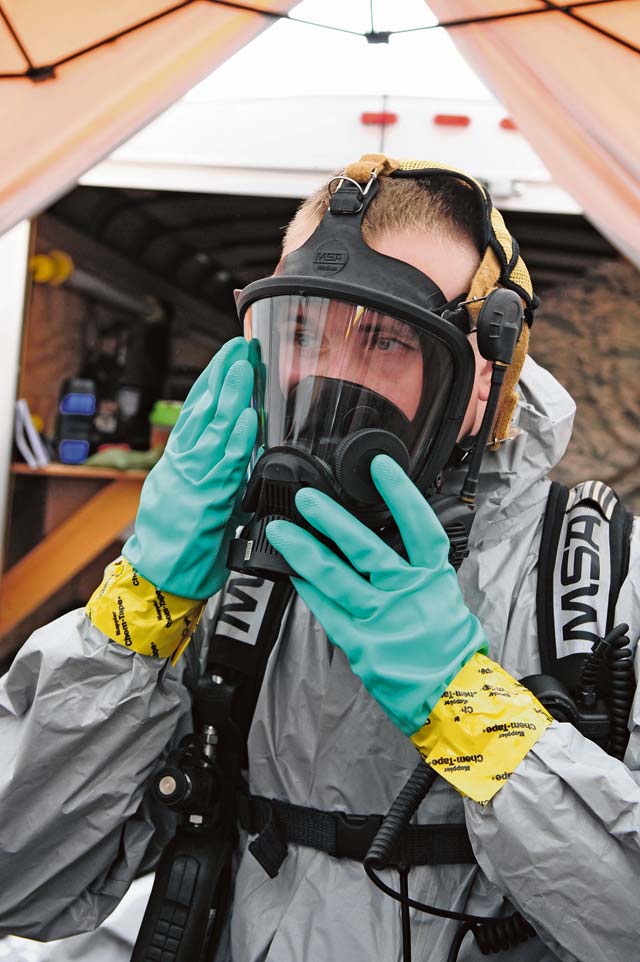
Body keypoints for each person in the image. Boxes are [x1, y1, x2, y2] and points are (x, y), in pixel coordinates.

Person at [0, 154, 638, 962]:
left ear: (483, 374)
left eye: (383, 339)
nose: (330, 375)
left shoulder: (606, 582)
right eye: (300, 330)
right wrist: (136, 614)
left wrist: (474, 711)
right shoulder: (224, 577)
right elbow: (18, 877)